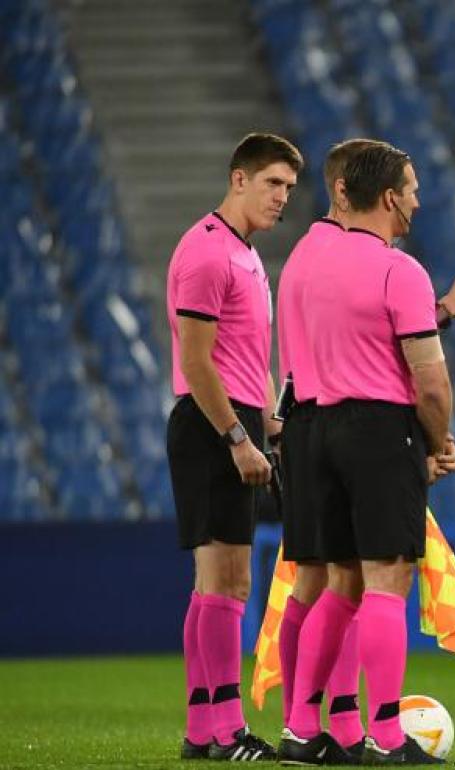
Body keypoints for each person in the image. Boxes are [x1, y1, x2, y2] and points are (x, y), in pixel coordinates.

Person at [273, 139, 455, 764]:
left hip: (307, 428)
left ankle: (302, 727)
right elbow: (430, 379)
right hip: (375, 428)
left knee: (339, 583)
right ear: (390, 197)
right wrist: (438, 440)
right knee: (387, 579)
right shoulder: (400, 269)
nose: (418, 200)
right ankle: (387, 736)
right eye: (413, 189)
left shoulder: (301, 259)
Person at [167, 132, 302, 761]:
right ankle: (226, 731)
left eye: (289, 189)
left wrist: (272, 423)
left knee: (212, 584)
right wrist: (237, 438)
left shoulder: (242, 253)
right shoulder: (206, 252)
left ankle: (205, 731)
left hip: (237, 420)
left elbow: (248, 357)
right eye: (273, 183)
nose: (282, 198)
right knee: (229, 583)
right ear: (238, 178)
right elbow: (197, 364)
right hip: (211, 425)